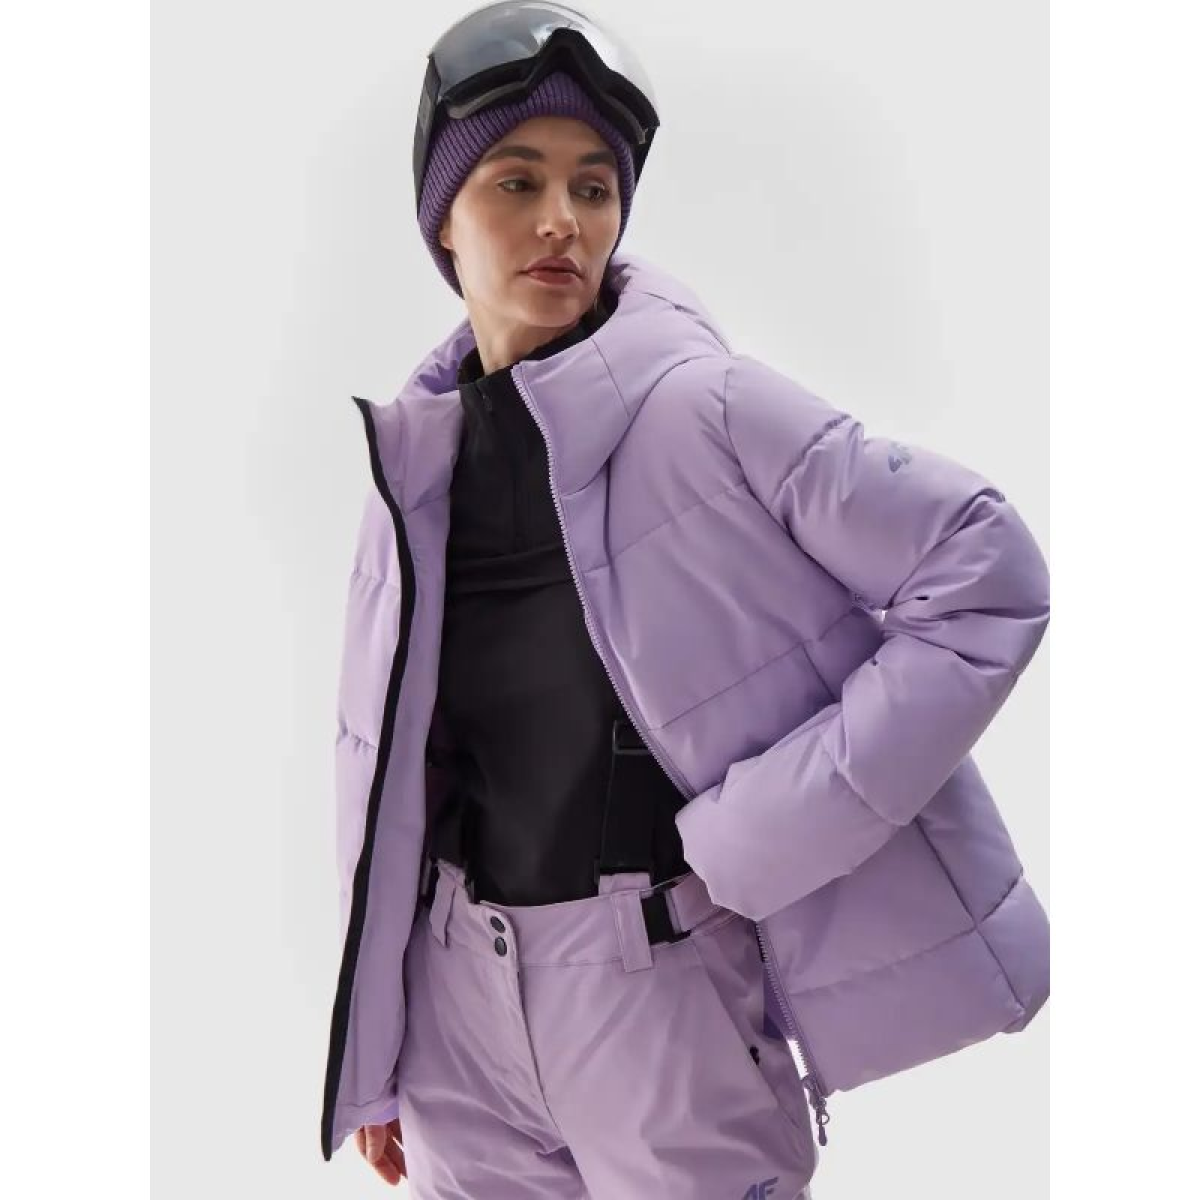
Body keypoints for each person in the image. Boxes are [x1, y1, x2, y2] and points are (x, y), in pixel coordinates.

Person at [321, 4, 1051, 1196]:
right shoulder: (412, 471)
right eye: (517, 182)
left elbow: (988, 572)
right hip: (458, 1024)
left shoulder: (706, 407)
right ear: (442, 220)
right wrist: (380, 1045)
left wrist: (762, 833)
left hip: (659, 1003)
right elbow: (393, 774)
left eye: (594, 186)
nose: (563, 220)